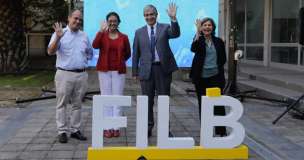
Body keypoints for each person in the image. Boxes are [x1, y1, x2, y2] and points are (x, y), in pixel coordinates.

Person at [132, 3, 180, 138]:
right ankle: (148, 127)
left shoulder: (165, 27)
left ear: (156, 14)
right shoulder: (139, 32)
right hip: (146, 71)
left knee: (164, 100)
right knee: (147, 101)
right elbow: (136, 53)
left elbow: (176, 34)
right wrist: (135, 72)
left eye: (151, 14)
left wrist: (174, 19)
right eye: (146, 15)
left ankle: (165, 129)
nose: (149, 17)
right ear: (144, 17)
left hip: (162, 70)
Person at [48, 9, 93, 143]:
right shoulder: (60, 34)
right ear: (69, 18)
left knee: (77, 104)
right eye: (75, 18)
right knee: (61, 104)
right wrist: (58, 37)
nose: (78, 21)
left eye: (80, 19)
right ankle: (62, 131)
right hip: (64, 74)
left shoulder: (84, 36)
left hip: (81, 75)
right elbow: (50, 51)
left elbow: (89, 53)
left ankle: (75, 130)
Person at [92, 12, 131, 138]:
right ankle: (107, 127)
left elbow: (128, 53)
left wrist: (119, 62)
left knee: (117, 99)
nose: (112, 23)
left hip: (118, 71)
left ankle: (116, 127)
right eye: (110, 21)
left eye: (115, 21)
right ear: (107, 22)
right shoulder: (102, 35)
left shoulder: (124, 37)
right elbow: (95, 45)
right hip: (104, 71)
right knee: (106, 98)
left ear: (118, 22)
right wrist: (100, 31)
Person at [190, 18, 227, 137]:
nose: (207, 27)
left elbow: (223, 58)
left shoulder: (219, 41)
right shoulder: (198, 40)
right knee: (203, 105)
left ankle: (221, 131)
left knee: (218, 105)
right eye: (204, 25)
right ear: (201, 28)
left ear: (213, 28)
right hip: (201, 78)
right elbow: (193, 49)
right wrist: (197, 32)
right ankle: (206, 132)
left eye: (209, 25)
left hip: (215, 76)